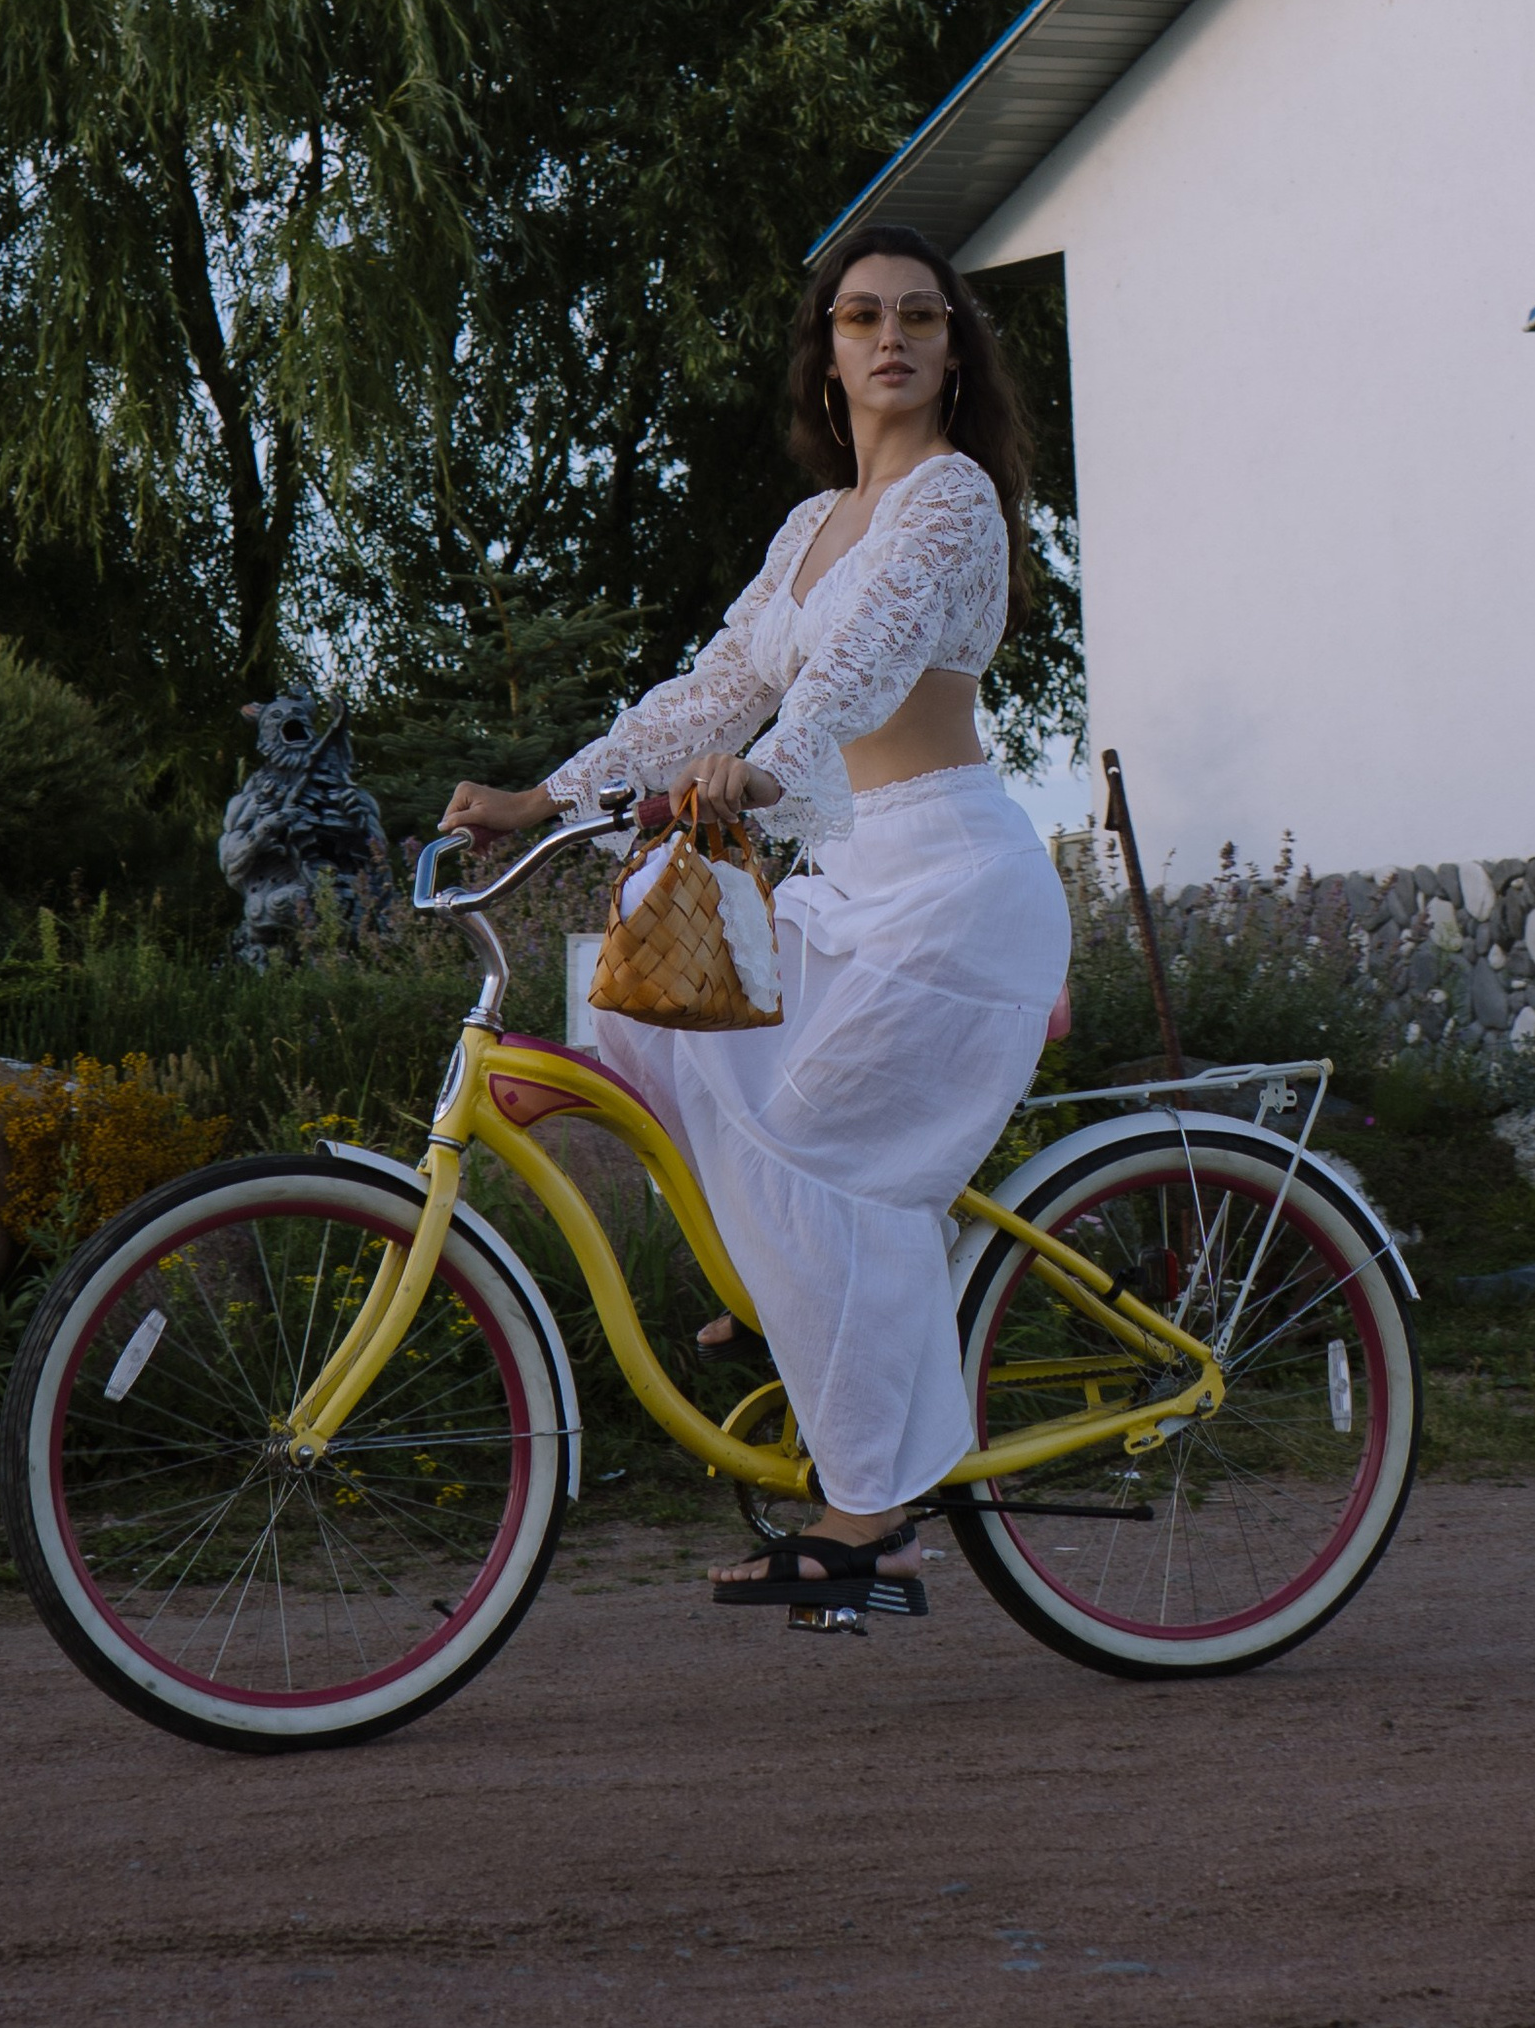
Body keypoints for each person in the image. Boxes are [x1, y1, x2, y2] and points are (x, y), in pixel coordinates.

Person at [438, 222, 1073, 1607]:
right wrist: (545, 798)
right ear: (827, 355)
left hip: (953, 891)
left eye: (919, 315)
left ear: (954, 352)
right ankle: (778, 1285)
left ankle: (874, 1516)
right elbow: (713, 689)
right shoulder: (809, 529)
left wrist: (770, 768)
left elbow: (861, 664)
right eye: (861, 316)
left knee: (815, 1150)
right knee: (649, 1006)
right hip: (853, 881)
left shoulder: (951, 500)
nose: (891, 336)